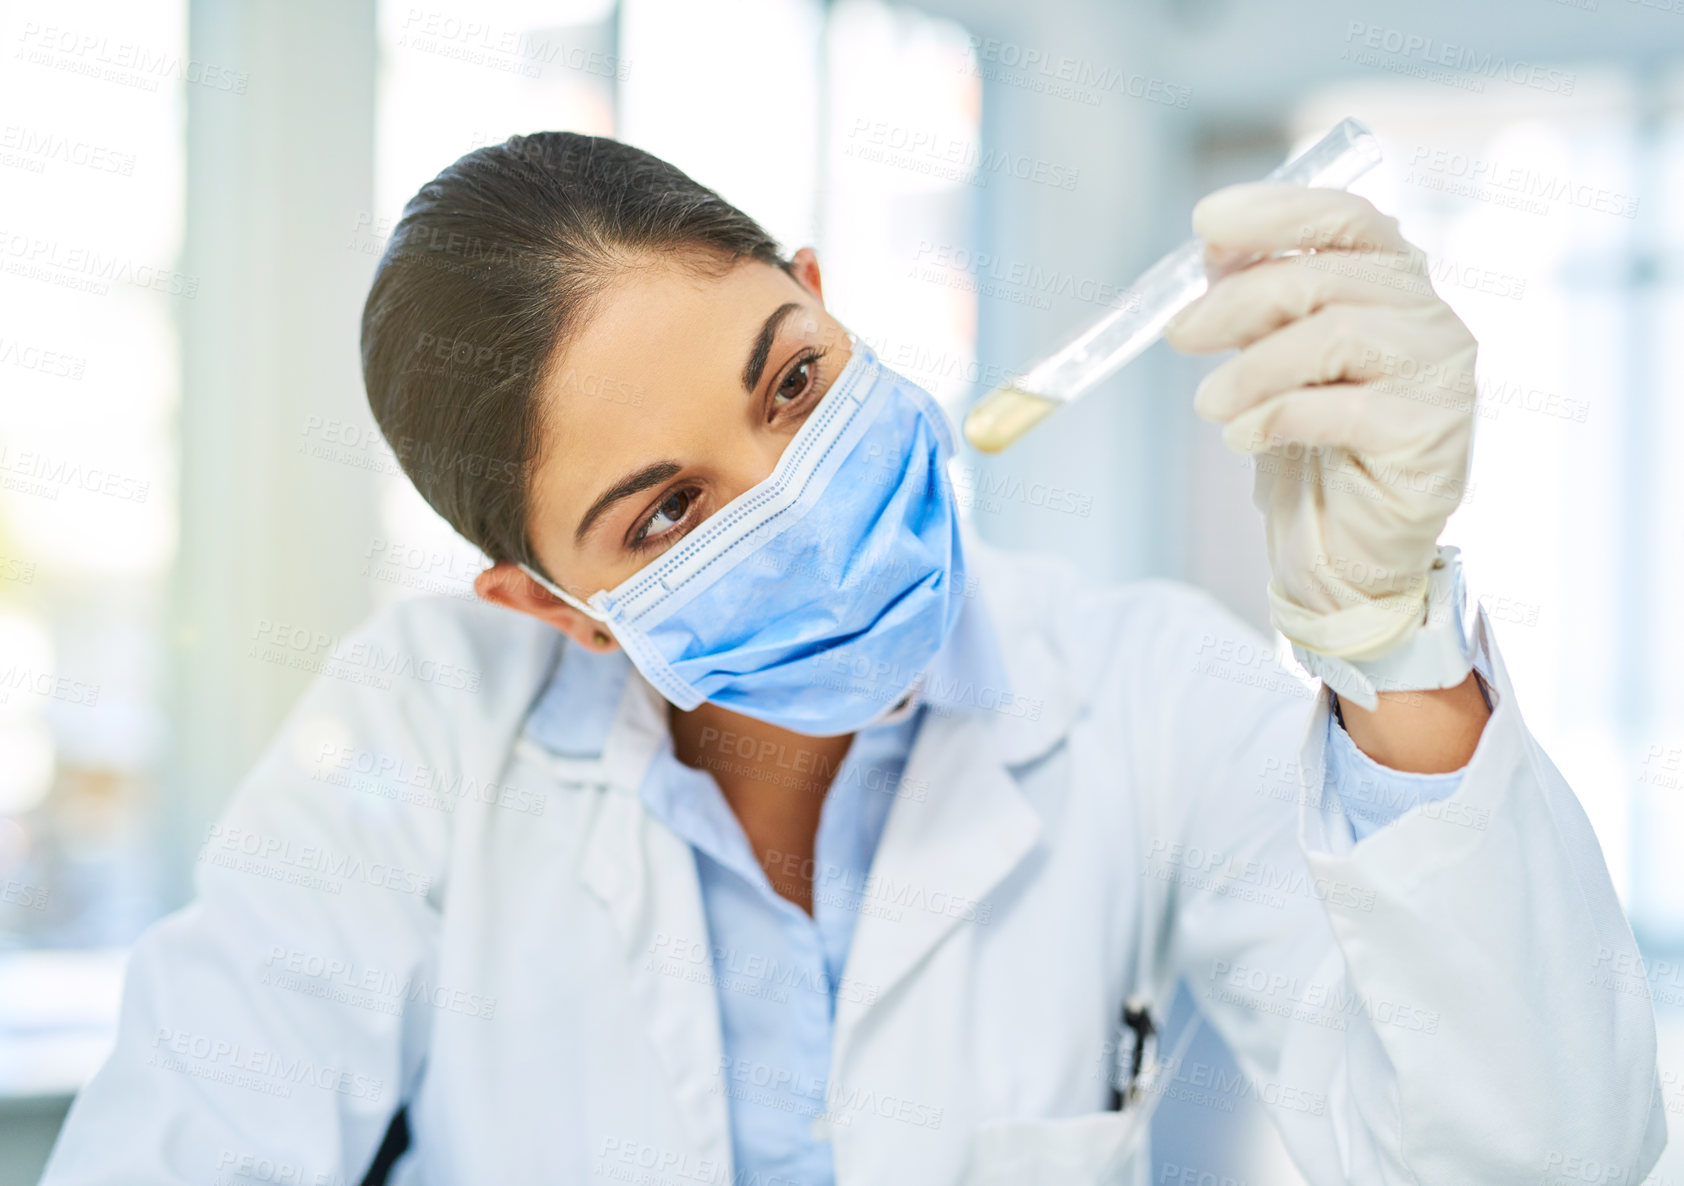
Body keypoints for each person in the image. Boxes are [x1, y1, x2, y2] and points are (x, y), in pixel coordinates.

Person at [40, 132, 1664, 1186]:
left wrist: (1394, 643)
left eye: (794, 382)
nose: (797, 501)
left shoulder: (1142, 697)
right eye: (667, 511)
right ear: (549, 604)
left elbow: (1548, 1164)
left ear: (824, 298)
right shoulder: (429, 725)